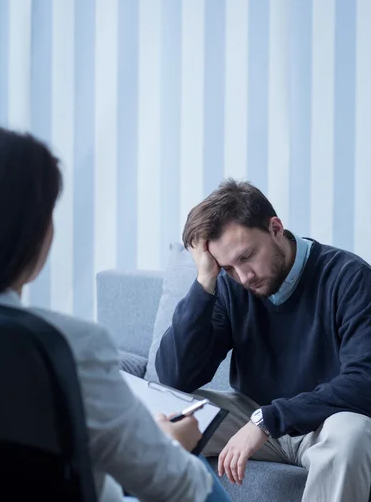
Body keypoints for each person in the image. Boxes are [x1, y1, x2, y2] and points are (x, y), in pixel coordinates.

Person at [0, 127, 231, 502]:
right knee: (200, 481)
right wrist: (173, 444)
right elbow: (175, 486)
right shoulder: (70, 347)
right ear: (37, 235)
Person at [156, 178, 371, 502]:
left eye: (247, 256)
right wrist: (205, 281)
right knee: (164, 415)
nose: (243, 277)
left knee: (353, 435)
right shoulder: (231, 287)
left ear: (275, 228)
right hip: (255, 412)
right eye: (228, 267)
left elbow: (364, 382)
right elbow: (175, 376)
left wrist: (268, 420)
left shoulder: (348, 277)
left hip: (324, 423)